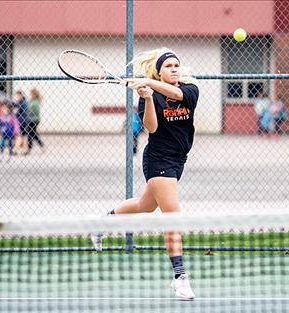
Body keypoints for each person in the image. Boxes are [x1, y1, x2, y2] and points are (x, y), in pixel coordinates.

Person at [92, 48, 198, 300]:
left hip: (179, 159)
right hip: (158, 160)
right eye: (169, 66)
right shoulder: (151, 95)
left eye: (176, 65)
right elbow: (151, 127)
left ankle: (102, 222)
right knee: (172, 216)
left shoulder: (190, 89)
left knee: (145, 205)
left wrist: (148, 82)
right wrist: (148, 98)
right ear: (160, 70)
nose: (174, 69)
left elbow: (177, 94)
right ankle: (180, 277)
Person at [27, 88, 45, 153]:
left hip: (34, 120)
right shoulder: (31, 101)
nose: (30, 95)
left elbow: (35, 111)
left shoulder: (35, 102)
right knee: (33, 134)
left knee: (31, 133)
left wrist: (29, 111)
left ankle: (29, 148)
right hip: (30, 119)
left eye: (31, 94)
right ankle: (40, 145)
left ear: (34, 94)